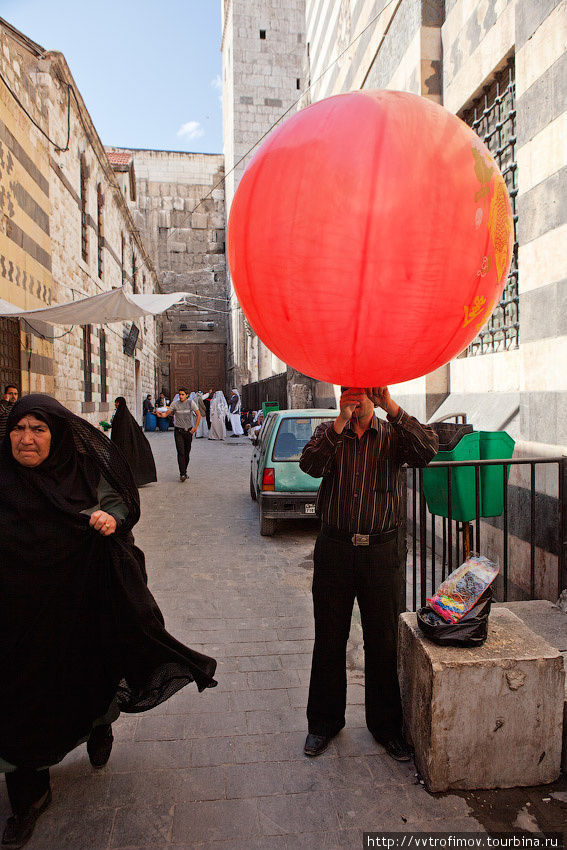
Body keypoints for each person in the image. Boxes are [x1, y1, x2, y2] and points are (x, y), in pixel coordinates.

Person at [0, 394, 216, 848]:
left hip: (75, 606)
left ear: (56, 436)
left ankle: (99, 722)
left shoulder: (81, 473)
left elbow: (119, 504)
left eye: (38, 430)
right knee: (16, 696)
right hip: (16, 616)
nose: (26, 439)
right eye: (19, 429)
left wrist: (109, 519)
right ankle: (28, 795)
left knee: (84, 675)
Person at [299, 386, 438, 762]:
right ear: (341, 395)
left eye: (362, 393)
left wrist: (392, 406)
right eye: (349, 392)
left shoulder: (393, 435)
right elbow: (309, 465)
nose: (355, 399)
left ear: (374, 398)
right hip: (335, 550)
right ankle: (324, 723)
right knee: (329, 637)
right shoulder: (329, 434)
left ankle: (386, 726)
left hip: (381, 553)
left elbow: (428, 449)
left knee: (382, 640)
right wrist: (339, 423)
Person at [111, 397, 157, 487]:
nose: (115, 404)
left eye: (117, 402)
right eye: (115, 402)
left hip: (124, 445)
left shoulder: (123, 417)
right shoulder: (122, 415)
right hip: (122, 444)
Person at [157, 388, 200, 482]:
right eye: (180, 394)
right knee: (180, 452)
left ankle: (184, 470)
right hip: (178, 431)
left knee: (187, 452)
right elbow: (166, 414)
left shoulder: (190, 403)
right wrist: (161, 415)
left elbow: (198, 414)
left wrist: (195, 428)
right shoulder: (174, 404)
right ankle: (182, 474)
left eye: (183, 394)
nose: (181, 396)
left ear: (187, 395)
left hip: (188, 431)